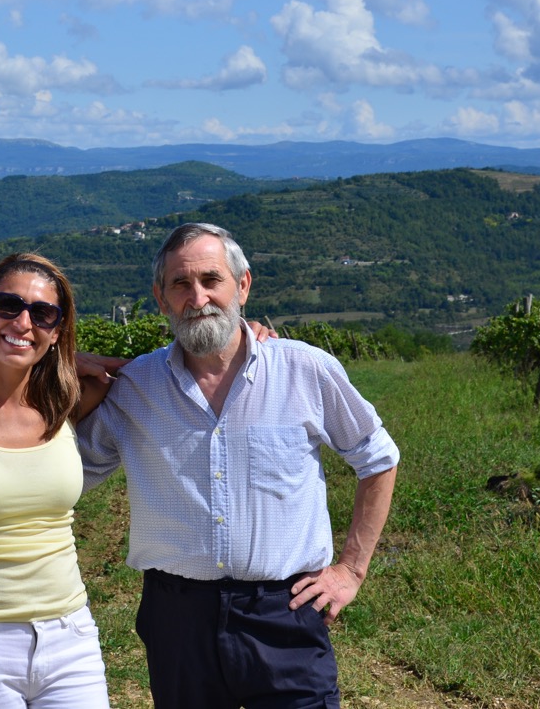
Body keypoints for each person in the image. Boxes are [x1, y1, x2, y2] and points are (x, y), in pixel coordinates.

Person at [75, 221, 400, 709]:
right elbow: (64, 475)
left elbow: (378, 458)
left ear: (243, 286)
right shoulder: (137, 387)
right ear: (161, 299)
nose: (198, 297)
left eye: (212, 279)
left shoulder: (304, 369)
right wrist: (49, 373)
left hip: (286, 611)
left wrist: (351, 570)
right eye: (180, 284)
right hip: (177, 618)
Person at [0, 253, 112, 709]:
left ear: (57, 331)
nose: (23, 322)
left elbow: (160, 374)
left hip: (71, 635)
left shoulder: (64, 401)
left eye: (43, 314)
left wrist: (245, 339)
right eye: (9, 305)